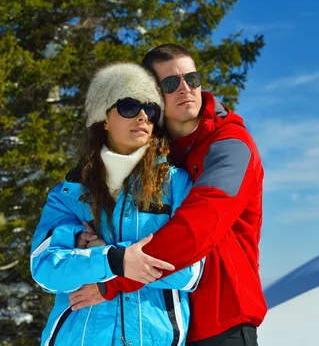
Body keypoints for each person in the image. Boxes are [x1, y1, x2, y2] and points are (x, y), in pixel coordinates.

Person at [69, 44, 267, 346]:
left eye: (193, 78)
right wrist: (83, 237)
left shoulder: (230, 146)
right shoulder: (151, 152)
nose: (186, 89)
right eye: (171, 83)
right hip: (165, 325)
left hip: (221, 321)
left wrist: (114, 275)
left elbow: (196, 228)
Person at [30, 63, 204, 345]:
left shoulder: (175, 184)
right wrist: (116, 260)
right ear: (105, 118)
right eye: (129, 106)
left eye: (151, 109)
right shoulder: (71, 192)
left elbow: (190, 271)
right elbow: (46, 269)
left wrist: (100, 257)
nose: (143, 116)